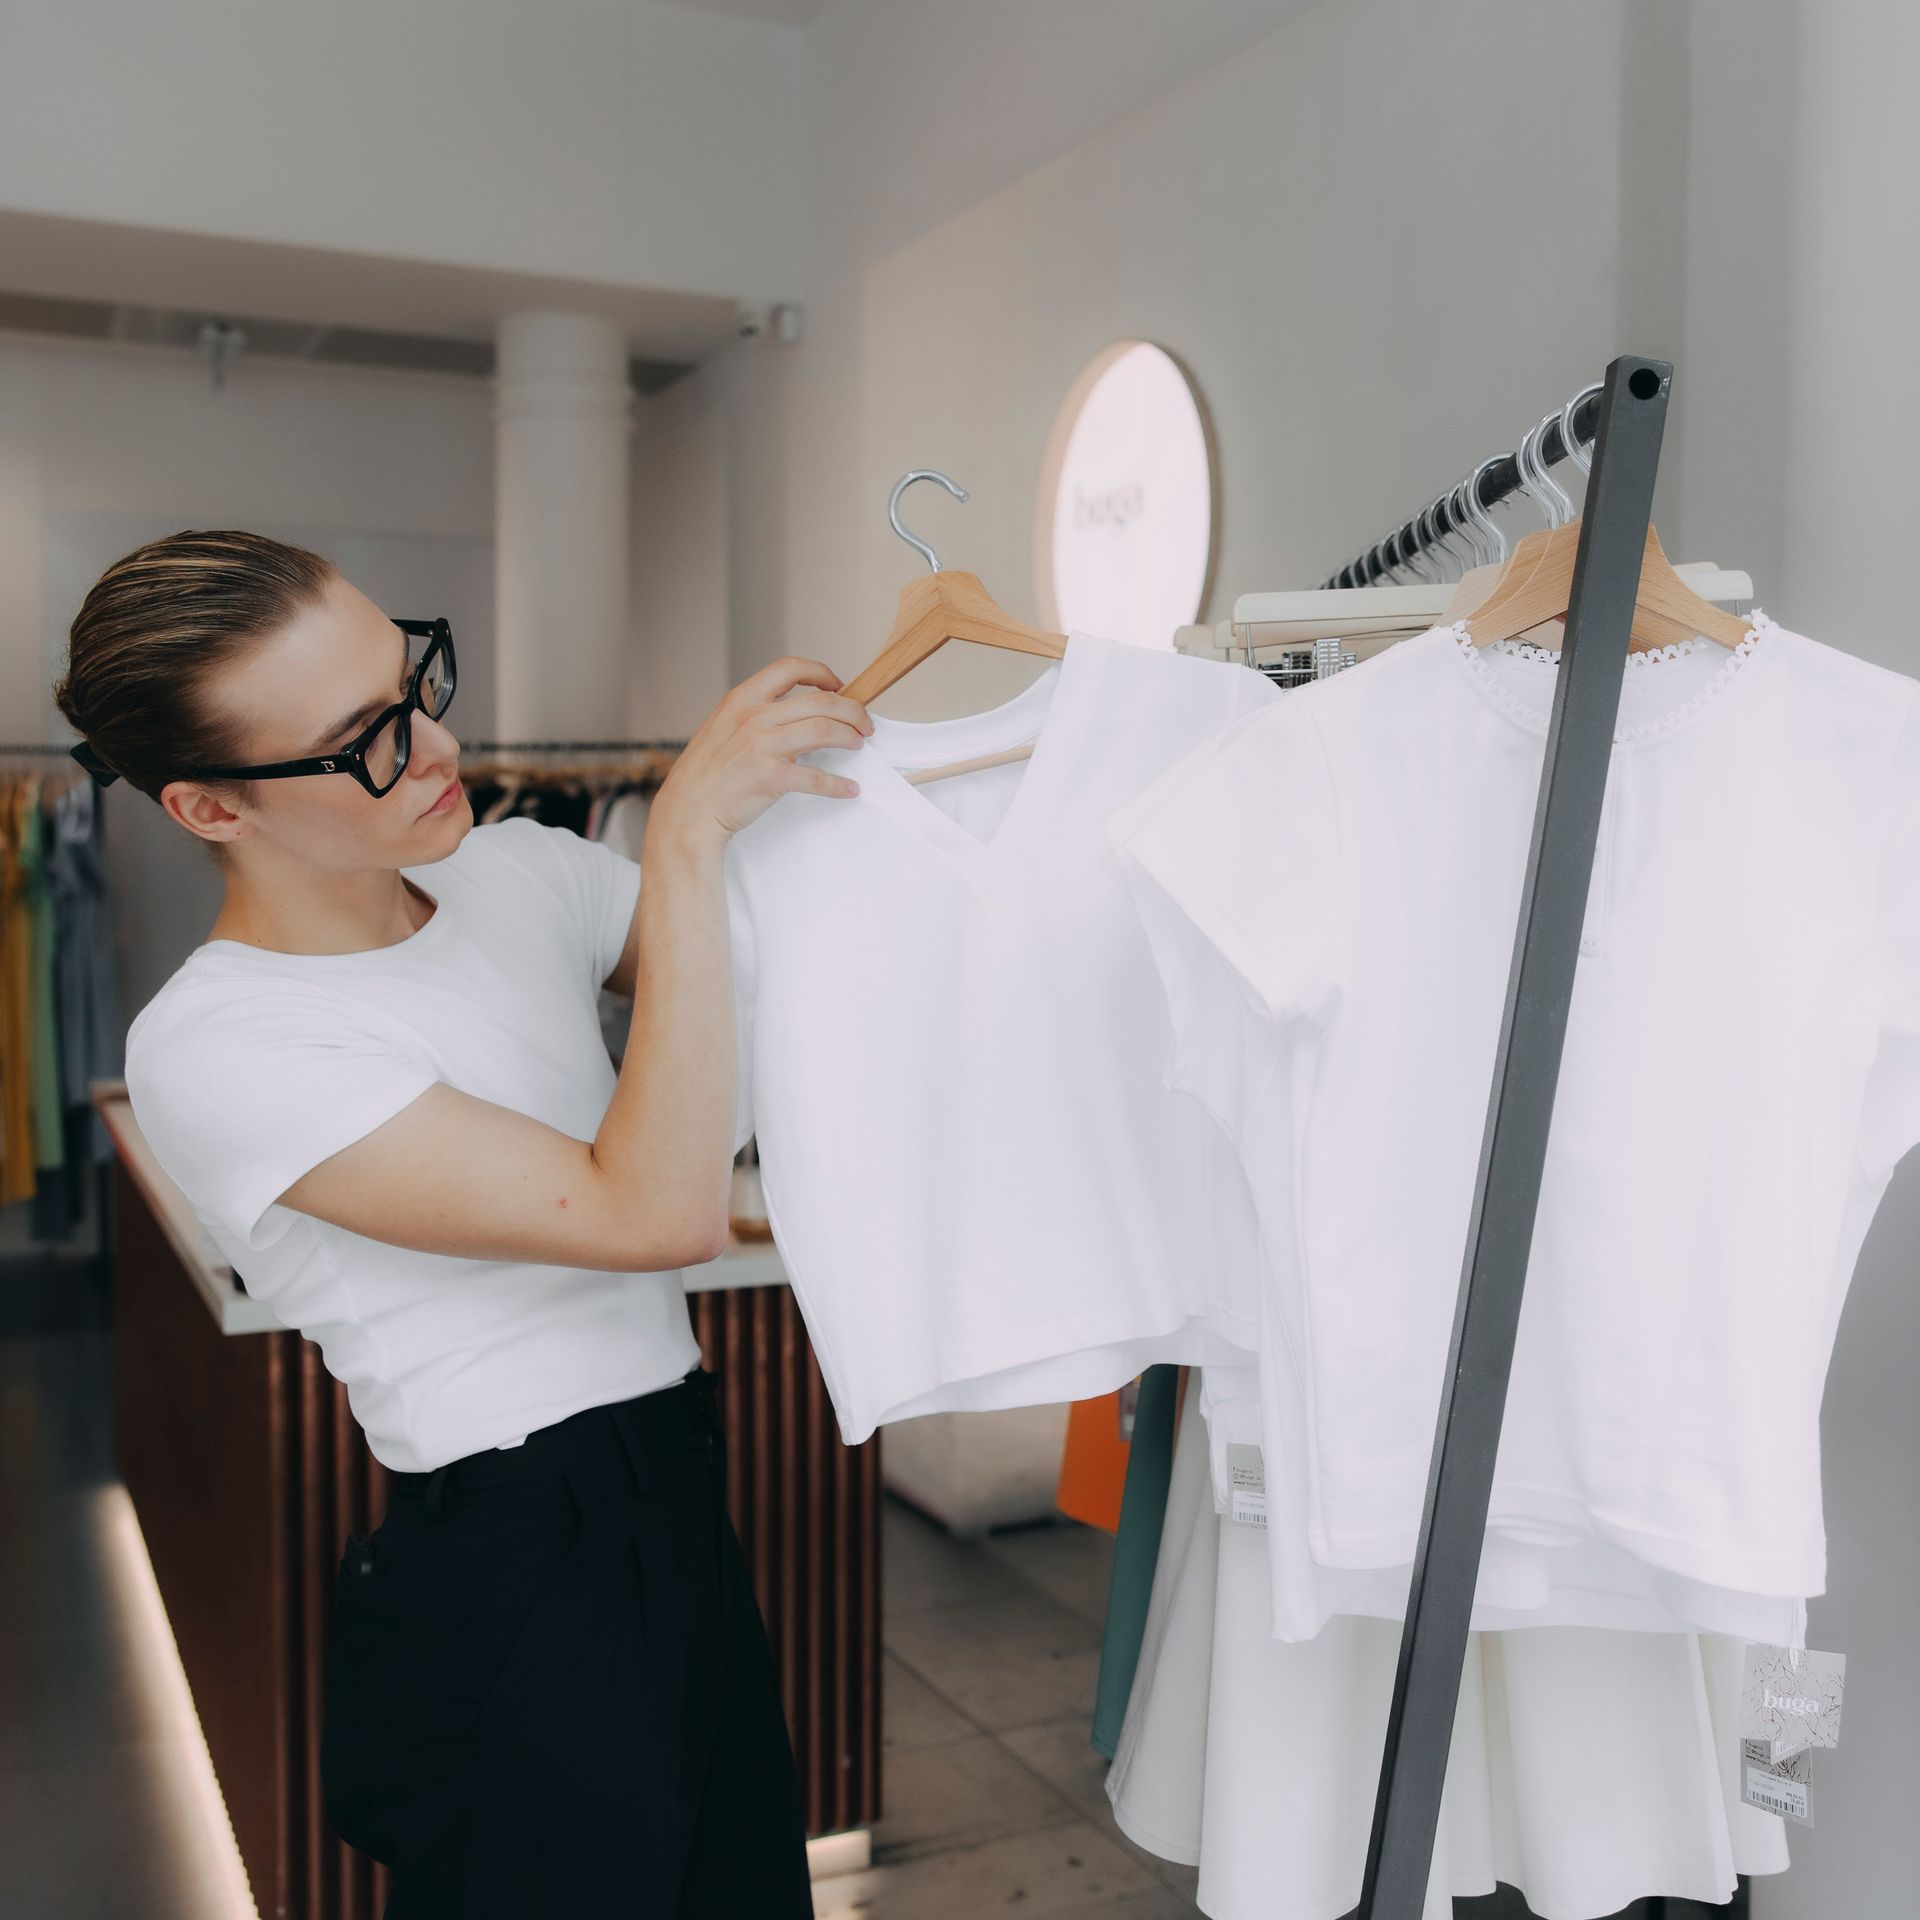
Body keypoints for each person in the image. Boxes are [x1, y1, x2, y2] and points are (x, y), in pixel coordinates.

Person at [54, 528, 870, 1917]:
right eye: (363, 742)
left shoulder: (519, 874)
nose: (436, 748)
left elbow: (776, 981)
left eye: (415, 684)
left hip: (675, 1490)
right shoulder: (222, 1040)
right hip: (516, 1555)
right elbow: (655, 1207)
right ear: (208, 809)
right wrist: (681, 830)